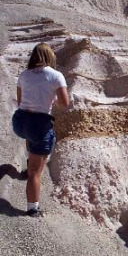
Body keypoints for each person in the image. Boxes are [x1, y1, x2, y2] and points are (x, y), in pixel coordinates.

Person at [12, 43, 69, 217]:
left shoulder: (24, 74)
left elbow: (21, 100)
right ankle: (32, 209)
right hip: (39, 123)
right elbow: (64, 103)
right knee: (36, 173)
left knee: (32, 138)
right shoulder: (56, 76)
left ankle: (28, 165)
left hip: (20, 122)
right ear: (50, 56)